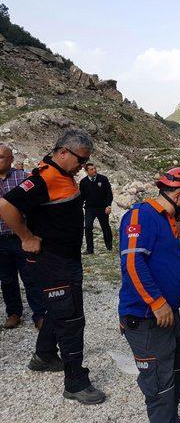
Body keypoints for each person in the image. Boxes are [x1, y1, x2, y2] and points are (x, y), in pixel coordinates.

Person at [0, 130, 106, 405]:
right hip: (54, 260)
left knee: (58, 309)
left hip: (66, 258)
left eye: (86, 162)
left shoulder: (64, 176)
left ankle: (44, 355)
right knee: (71, 318)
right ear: (62, 152)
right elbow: (6, 206)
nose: (82, 166)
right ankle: (75, 382)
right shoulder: (44, 178)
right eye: (80, 160)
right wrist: (26, 237)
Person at [118, 167, 180, 423]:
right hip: (147, 315)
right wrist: (156, 301)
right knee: (159, 383)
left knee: (178, 363)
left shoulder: (168, 222)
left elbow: (166, 260)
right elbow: (133, 262)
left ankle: (169, 416)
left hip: (168, 311)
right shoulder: (140, 216)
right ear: (178, 196)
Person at [0, 144, 46, 329]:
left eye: (2, 156)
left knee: (31, 277)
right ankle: (13, 313)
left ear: (11, 159)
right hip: (1, 239)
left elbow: (35, 206)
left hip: (22, 238)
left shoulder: (23, 178)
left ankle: (40, 314)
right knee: (7, 279)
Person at [79, 162, 113, 254]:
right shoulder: (83, 182)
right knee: (88, 227)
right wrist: (78, 208)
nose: (94, 170)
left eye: (94, 168)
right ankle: (90, 250)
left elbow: (109, 194)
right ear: (87, 171)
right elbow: (82, 197)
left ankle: (109, 247)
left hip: (102, 208)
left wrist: (108, 206)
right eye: (91, 169)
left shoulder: (103, 179)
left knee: (105, 227)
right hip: (89, 208)